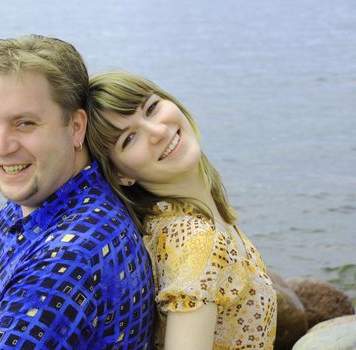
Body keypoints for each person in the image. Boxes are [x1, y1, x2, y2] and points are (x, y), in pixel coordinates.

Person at [0, 36, 155, 350]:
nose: (2, 147)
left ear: (76, 127)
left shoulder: (69, 259)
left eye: (25, 123)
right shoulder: (33, 204)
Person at [86, 71, 277, 350]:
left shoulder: (175, 222)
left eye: (152, 108)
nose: (158, 131)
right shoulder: (196, 240)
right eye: (129, 139)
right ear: (119, 175)